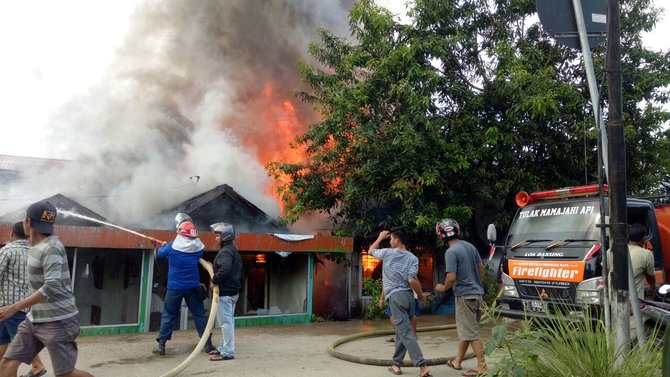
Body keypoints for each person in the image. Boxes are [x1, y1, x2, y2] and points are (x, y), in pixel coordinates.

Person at [0, 200, 92, 377]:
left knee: (65, 373)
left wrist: (13, 307)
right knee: (7, 364)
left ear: (28, 222)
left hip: (59, 321)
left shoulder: (51, 247)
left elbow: (52, 286)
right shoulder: (34, 247)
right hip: (34, 318)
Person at [369, 227, 430, 377]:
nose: (389, 242)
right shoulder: (412, 258)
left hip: (396, 297)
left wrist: (380, 237)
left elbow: (370, 250)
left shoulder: (387, 253)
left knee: (406, 333)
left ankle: (422, 366)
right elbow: (412, 280)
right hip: (409, 296)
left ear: (397, 240)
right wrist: (421, 296)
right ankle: (396, 364)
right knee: (401, 332)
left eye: (391, 239)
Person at [434, 219, 487, 377]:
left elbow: (451, 277)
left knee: (471, 333)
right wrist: (478, 284)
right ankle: (457, 361)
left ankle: (482, 365)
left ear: (440, 235)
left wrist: (443, 288)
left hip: (465, 296)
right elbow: (481, 267)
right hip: (477, 295)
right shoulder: (470, 246)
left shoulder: (451, 252)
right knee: (468, 330)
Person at [153, 221, 214, 355]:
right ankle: (208, 345)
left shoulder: (171, 247)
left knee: (169, 315)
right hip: (192, 287)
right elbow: (196, 251)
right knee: (199, 315)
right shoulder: (198, 249)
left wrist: (163, 246)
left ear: (180, 233)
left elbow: (159, 255)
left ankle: (161, 346)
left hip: (174, 288)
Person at [0, 222, 47, 377]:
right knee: (2, 340)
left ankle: (37, 366)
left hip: (10, 308)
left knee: (20, 343)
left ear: (12, 234)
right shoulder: (35, 252)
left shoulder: (7, 251)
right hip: (25, 305)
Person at [208, 222, 243, 361]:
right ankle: (223, 348)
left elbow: (225, 269)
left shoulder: (226, 252)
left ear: (225, 236)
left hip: (225, 293)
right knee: (228, 322)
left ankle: (228, 352)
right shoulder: (232, 250)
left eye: (218, 235)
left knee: (226, 323)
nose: (216, 238)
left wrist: (214, 279)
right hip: (232, 292)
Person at [607, 223, 656, 299]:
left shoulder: (611, 251)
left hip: (612, 299)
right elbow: (650, 277)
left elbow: (606, 272)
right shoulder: (647, 254)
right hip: (634, 304)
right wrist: (652, 288)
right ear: (643, 239)